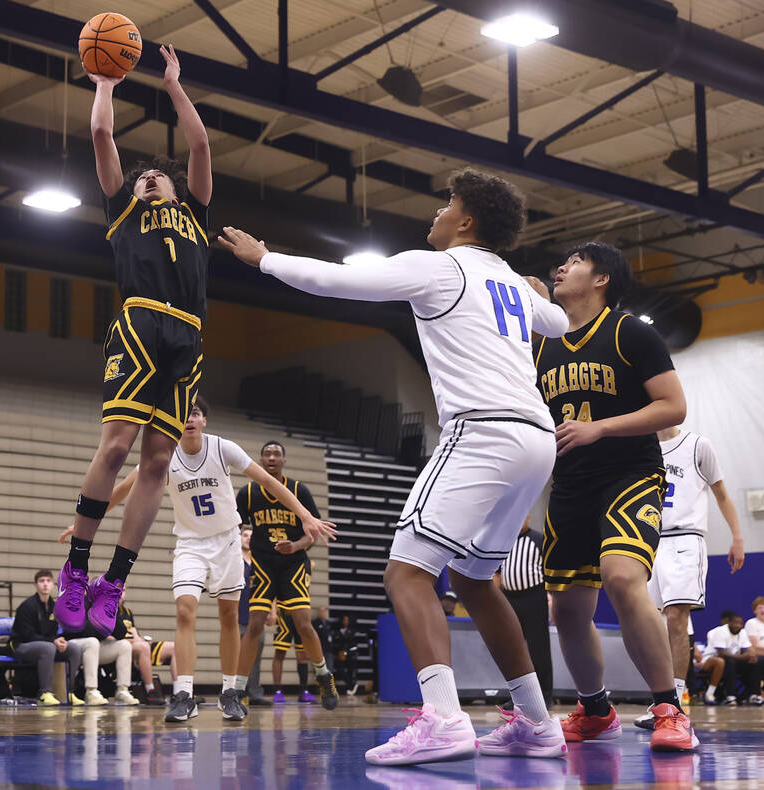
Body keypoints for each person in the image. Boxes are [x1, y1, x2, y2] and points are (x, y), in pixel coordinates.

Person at [219, 168, 570, 765]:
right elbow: (560, 324)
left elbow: (339, 281)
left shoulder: (440, 267)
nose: (436, 213)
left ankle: (442, 718)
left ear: (467, 221)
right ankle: (537, 722)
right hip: (537, 439)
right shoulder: (508, 278)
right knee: (476, 582)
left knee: (406, 573)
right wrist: (536, 292)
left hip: (482, 431)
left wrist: (265, 258)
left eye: (447, 203)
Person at [55, 45, 222, 640]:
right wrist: (105, 81)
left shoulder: (197, 215)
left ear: (176, 189)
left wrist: (175, 86)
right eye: (142, 175)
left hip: (190, 336)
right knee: (118, 447)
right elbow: (102, 134)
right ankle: (77, 566)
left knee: (158, 460)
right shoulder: (125, 207)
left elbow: (199, 147)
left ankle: (115, 580)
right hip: (141, 320)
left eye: (158, 175)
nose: (149, 177)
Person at [61, 396, 334, 721]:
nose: (189, 418)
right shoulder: (162, 453)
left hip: (227, 541)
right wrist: (84, 524)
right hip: (190, 542)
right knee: (184, 611)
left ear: (204, 420)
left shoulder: (223, 448)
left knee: (229, 615)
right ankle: (183, 695)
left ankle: (231, 692)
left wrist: (304, 515)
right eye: (184, 413)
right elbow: (123, 489)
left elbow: (269, 483)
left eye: (195, 413)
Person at [535, 240, 697, 750]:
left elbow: (673, 406)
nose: (562, 267)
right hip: (570, 484)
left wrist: (599, 428)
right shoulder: (541, 344)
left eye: (575, 262)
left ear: (601, 278)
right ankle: (595, 710)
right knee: (566, 610)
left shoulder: (630, 332)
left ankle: (669, 709)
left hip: (630, 473)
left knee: (623, 577)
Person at [637, 426, 744, 726]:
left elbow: (721, 494)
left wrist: (737, 537)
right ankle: (661, 701)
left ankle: (676, 702)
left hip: (686, 538)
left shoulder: (698, 445)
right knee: (654, 624)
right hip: (651, 540)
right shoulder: (640, 446)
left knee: (676, 618)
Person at [234, 440, 340, 713]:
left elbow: (313, 531)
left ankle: (324, 677)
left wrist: (295, 545)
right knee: (255, 625)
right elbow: (233, 526)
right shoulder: (248, 493)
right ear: (260, 459)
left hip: (292, 563)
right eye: (266, 453)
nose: (271, 457)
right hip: (263, 564)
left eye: (276, 454)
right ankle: (238, 689)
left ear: (283, 461)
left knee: (303, 624)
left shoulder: (298, 490)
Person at [496, 517, 553, 705]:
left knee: (539, 649)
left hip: (534, 597)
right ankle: (519, 696)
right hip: (509, 599)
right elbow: (497, 572)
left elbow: (550, 570)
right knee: (511, 649)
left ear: (528, 519)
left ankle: (544, 695)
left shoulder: (538, 539)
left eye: (523, 518)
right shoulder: (504, 541)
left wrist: (551, 596)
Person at [10, 570, 86, 706]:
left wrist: (60, 640)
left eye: (48, 581)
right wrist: (52, 641)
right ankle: (45, 693)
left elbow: (53, 633)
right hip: (21, 646)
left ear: (53, 585)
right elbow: (27, 635)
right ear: (36, 585)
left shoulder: (55, 607)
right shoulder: (27, 606)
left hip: (46, 645)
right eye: (41, 581)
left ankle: (70, 692)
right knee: (49, 648)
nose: (45, 584)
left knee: (73, 648)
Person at [114, 601, 174, 704]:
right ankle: (150, 690)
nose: (121, 592)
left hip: (137, 645)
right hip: (120, 646)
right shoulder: (105, 609)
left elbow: (134, 633)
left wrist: (142, 641)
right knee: (143, 647)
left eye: (124, 590)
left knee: (174, 647)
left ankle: (179, 691)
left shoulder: (127, 612)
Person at [238, 527, 268, 705]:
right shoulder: (234, 560)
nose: (248, 539)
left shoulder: (259, 562)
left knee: (255, 658)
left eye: (251, 536)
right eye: (245, 535)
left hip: (256, 617)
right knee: (237, 657)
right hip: (237, 617)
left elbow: (268, 585)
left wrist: (271, 610)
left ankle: (255, 693)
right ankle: (236, 692)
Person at [704, 610, 750, 704]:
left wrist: (750, 656)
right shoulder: (719, 631)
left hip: (731, 660)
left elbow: (745, 651)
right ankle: (711, 693)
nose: (738, 625)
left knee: (752, 662)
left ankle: (753, 695)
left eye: (740, 623)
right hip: (711, 659)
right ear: (729, 623)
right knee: (724, 661)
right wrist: (742, 657)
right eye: (735, 623)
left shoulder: (743, 632)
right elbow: (721, 653)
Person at [270, 608, 314, 703]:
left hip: (300, 612)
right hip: (283, 612)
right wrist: (273, 612)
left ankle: (303, 691)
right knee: (280, 653)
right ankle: (277, 691)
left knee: (302, 655)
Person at [331, 615, 362, 695]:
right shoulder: (338, 631)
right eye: (344, 620)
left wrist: (348, 652)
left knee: (351, 670)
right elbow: (335, 643)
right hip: (341, 653)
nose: (345, 622)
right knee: (340, 669)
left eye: (347, 620)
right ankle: (351, 685)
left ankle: (351, 686)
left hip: (351, 654)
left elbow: (354, 644)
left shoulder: (353, 631)